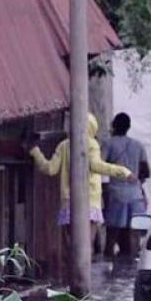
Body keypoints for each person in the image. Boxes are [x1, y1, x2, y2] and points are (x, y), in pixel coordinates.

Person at [28, 113, 136, 282]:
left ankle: (69, 280)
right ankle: (82, 282)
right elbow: (95, 165)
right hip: (90, 202)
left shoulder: (63, 145)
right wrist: (123, 171)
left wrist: (35, 151)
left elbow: (50, 169)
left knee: (71, 245)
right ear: (92, 128)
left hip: (68, 203)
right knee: (86, 245)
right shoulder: (92, 144)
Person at [102, 113, 150, 260]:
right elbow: (146, 171)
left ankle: (108, 260)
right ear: (129, 127)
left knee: (112, 230)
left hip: (116, 192)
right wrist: (137, 183)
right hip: (135, 194)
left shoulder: (108, 144)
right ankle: (133, 261)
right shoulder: (138, 145)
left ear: (114, 126)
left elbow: (99, 165)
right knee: (134, 232)